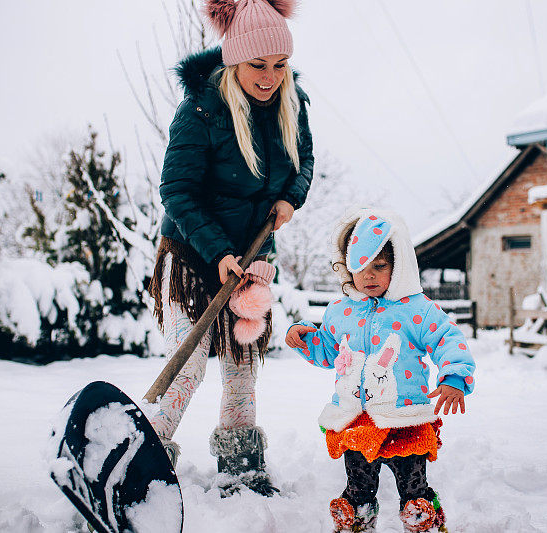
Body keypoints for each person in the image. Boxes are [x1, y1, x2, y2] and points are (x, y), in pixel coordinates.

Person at [146, 0, 313, 497]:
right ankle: (142, 458)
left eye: (279, 65)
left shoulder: (293, 100)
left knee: (242, 365)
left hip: (254, 254)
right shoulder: (201, 107)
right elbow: (176, 189)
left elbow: (305, 160)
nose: (269, 77)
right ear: (233, 61)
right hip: (194, 254)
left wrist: (291, 198)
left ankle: (241, 467)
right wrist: (217, 250)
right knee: (190, 361)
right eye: (257, 65)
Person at [285, 208, 475, 532]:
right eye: (360, 267)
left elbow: (447, 337)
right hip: (357, 419)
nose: (369, 275)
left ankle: (422, 518)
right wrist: (306, 340)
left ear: (398, 265)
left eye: (379, 265)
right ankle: (358, 518)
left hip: (405, 418)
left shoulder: (416, 308)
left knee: (412, 485)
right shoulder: (340, 311)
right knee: (358, 484)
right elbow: (329, 351)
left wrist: (455, 376)